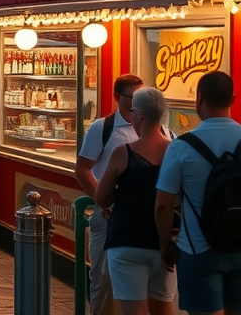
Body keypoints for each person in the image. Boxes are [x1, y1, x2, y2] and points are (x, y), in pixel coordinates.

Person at [156, 71, 241, 315]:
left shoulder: (181, 146)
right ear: (232, 100)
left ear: (199, 98)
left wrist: (165, 246)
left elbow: (163, 205)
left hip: (197, 248)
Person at [94, 86, 175, 315]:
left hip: (126, 238)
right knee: (163, 308)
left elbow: (101, 197)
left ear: (140, 115)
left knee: (133, 310)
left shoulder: (123, 152)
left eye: (133, 114)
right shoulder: (175, 152)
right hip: (164, 240)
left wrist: (118, 198)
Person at [75, 74, 144, 315]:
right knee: (104, 281)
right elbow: (82, 169)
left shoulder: (157, 130)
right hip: (107, 217)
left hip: (140, 219)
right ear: (118, 98)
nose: (138, 102)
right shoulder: (103, 128)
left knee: (137, 284)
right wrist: (101, 201)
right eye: (134, 97)